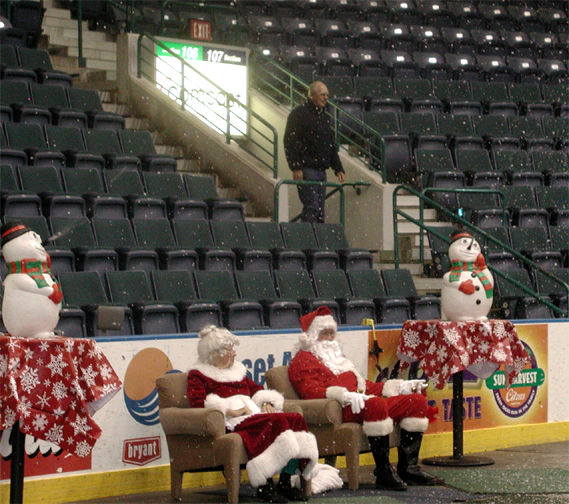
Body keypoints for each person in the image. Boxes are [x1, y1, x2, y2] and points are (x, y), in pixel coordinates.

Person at [288, 307, 444, 491]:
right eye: (325, 334)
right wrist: (344, 395)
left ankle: (409, 468)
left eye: (332, 333)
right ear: (311, 336)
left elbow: (365, 386)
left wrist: (400, 386)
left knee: (416, 401)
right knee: (376, 404)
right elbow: (310, 392)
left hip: (363, 403)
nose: (330, 339)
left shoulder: (338, 360)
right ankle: (383, 471)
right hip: (341, 409)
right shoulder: (302, 360)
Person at [187, 325, 319, 503]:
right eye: (229, 350)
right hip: (233, 420)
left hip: (254, 414)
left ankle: (285, 482)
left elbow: (257, 390)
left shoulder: (238, 371)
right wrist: (230, 410)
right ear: (214, 353)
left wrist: (265, 402)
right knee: (275, 423)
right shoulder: (198, 375)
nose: (234, 354)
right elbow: (198, 404)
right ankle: (265, 485)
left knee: (294, 418)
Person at [284, 81, 346, 223]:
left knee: (319, 212)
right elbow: (290, 141)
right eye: (323, 94)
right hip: (307, 169)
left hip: (320, 171)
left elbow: (330, 145)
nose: (325, 98)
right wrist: (296, 166)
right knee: (312, 208)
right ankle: (308, 241)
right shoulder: (298, 114)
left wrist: (338, 168)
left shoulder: (324, 117)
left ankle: (314, 241)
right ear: (312, 95)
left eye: (327, 95)